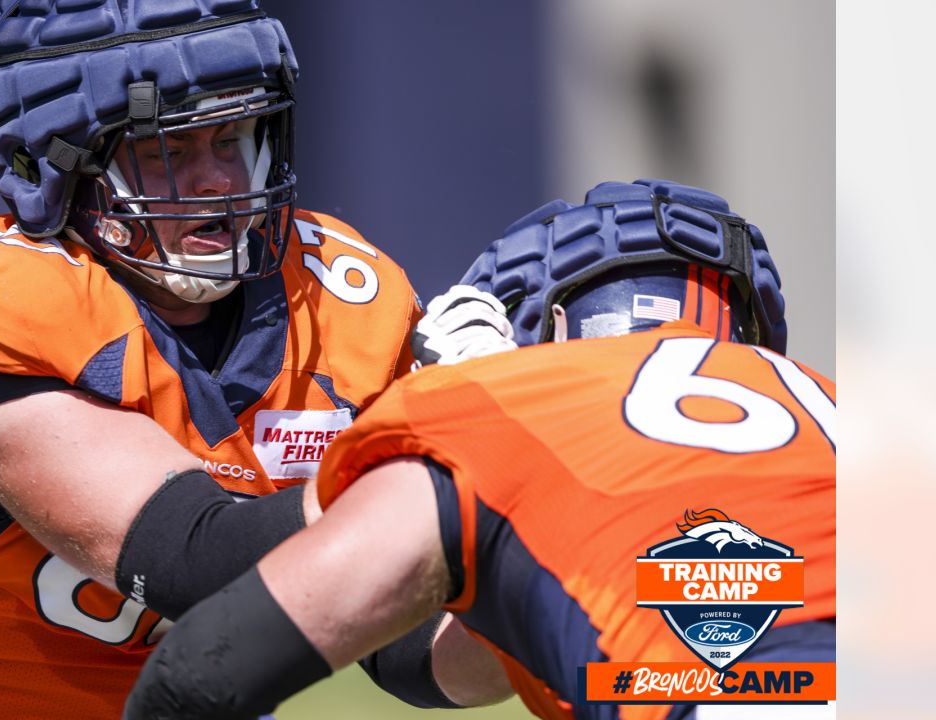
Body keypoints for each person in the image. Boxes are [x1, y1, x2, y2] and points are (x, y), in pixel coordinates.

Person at [0, 2, 508, 717]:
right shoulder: (0, 298)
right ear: (63, 161)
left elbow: (412, 656)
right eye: (168, 150)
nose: (216, 181)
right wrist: (446, 457)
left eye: (232, 135)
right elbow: (189, 559)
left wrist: (546, 508)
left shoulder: (343, 295)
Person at [124, 179, 836, 720]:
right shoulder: (841, 400)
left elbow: (206, 671)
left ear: (549, 325)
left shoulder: (500, 412)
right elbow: (725, 602)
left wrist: (473, 407)